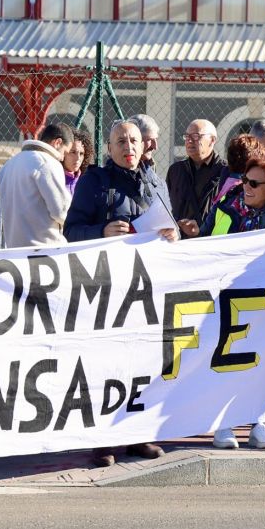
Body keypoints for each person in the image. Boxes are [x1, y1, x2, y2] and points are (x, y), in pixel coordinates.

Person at [64, 120, 177, 467]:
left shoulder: (156, 183)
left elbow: (167, 226)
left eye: (133, 140)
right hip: (106, 286)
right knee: (106, 363)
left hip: (146, 287)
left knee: (142, 362)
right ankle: (103, 439)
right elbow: (71, 230)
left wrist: (173, 233)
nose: (128, 146)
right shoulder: (94, 182)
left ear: (144, 145)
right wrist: (102, 230)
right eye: (121, 141)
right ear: (109, 148)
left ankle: (137, 434)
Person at [199, 159, 265, 450]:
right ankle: (223, 425)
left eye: (254, 183)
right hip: (224, 298)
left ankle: (259, 424)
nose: (246, 187)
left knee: (262, 363)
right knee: (225, 361)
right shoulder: (224, 207)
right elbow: (203, 242)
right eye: (245, 180)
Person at [0, 123, 73, 248]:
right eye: (65, 152)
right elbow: (61, 211)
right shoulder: (47, 162)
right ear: (57, 143)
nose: (62, 158)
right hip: (44, 248)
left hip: (14, 248)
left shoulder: (8, 165)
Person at [166, 119, 226, 232]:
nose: (189, 140)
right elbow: (167, 207)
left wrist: (202, 229)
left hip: (211, 238)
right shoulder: (176, 171)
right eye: (187, 136)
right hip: (178, 238)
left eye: (196, 136)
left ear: (212, 140)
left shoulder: (225, 172)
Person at [63, 129, 94, 195]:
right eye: (73, 152)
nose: (78, 158)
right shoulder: (53, 177)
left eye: (81, 153)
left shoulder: (87, 181)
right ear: (63, 152)